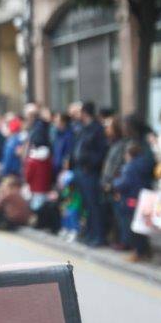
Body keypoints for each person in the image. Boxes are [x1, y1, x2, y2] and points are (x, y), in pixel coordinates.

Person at [71, 101, 109, 247]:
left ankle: (98, 236)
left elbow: (101, 152)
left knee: (94, 205)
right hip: (80, 170)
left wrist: (90, 163)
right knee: (86, 205)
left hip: (90, 172)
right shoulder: (83, 128)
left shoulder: (96, 129)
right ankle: (89, 233)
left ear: (85, 112)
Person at [100, 116, 128, 248]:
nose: (106, 129)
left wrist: (111, 184)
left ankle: (124, 241)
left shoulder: (121, 145)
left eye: (109, 126)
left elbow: (118, 165)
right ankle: (117, 239)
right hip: (109, 184)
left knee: (120, 215)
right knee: (114, 215)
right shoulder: (111, 143)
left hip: (115, 185)